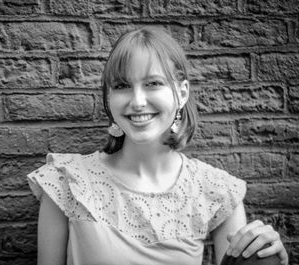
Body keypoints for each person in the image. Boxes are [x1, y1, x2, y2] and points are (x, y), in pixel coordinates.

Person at [27, 27, 288, 265]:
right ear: (109, 97)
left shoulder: (216, 191)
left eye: (153, 83)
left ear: (182, 93)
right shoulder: (67, 180)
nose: (138, 101)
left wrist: (268, 259)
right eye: (122, 86)